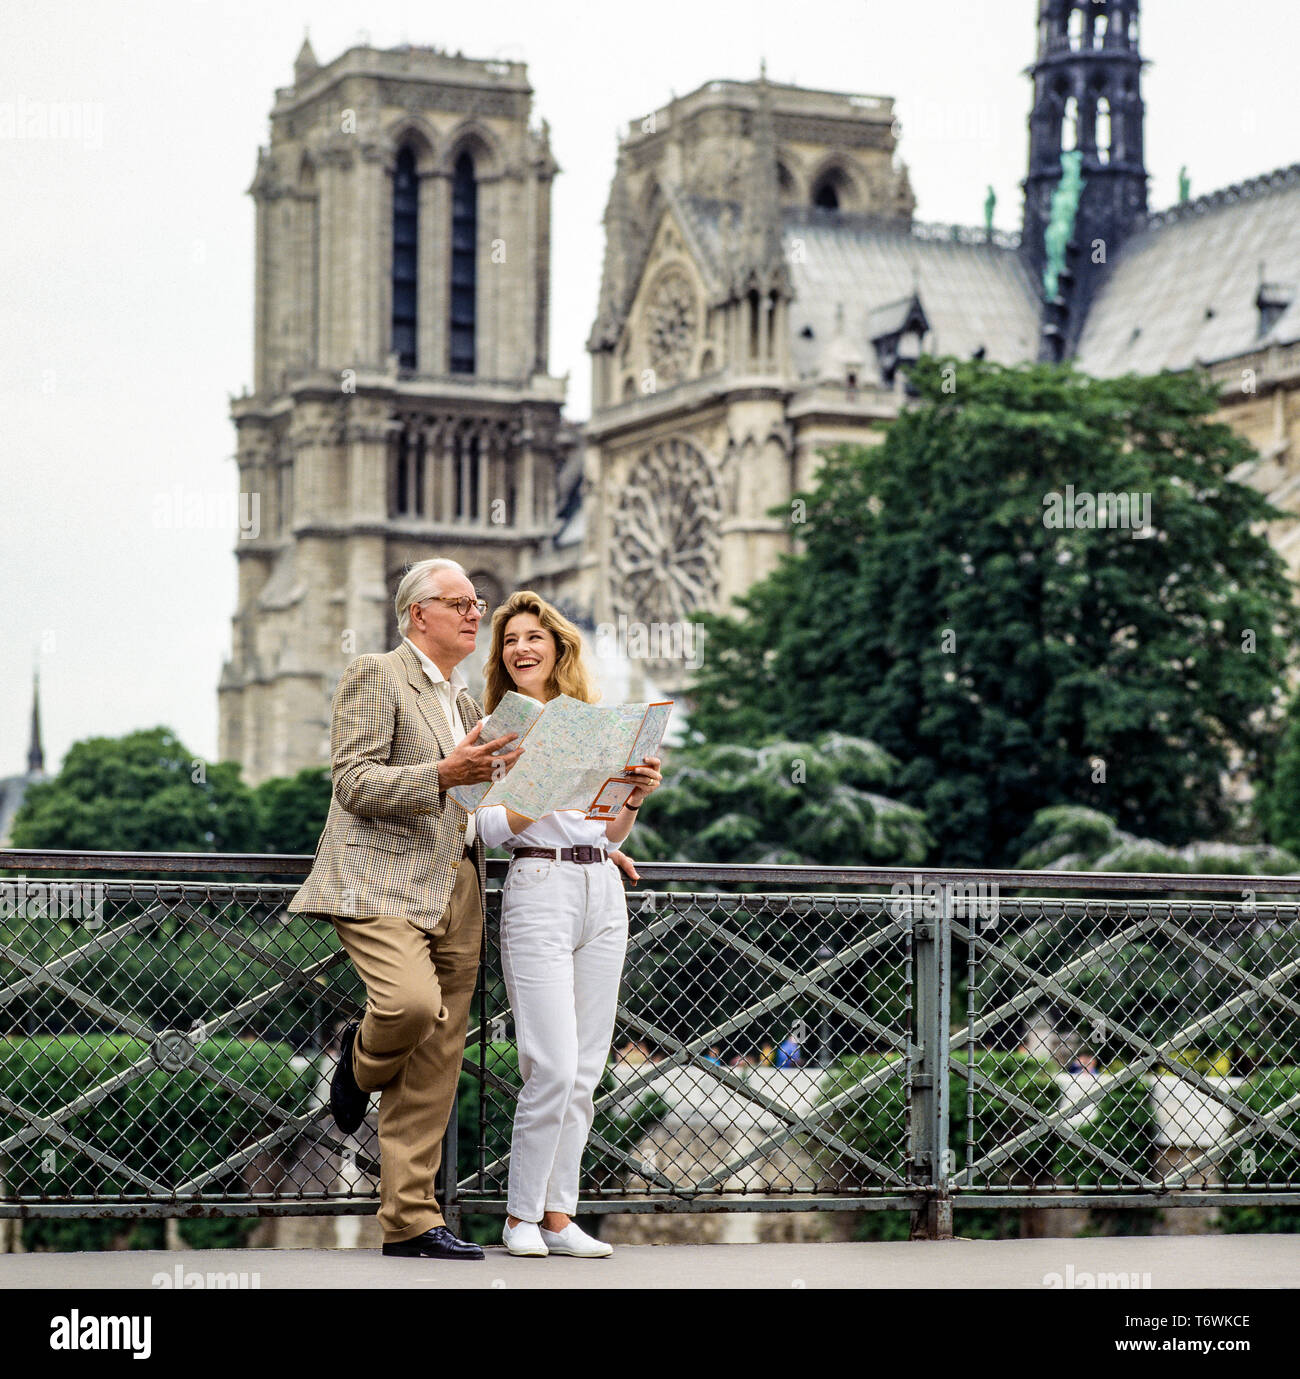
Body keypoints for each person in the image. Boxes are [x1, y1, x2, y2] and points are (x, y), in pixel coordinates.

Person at [286, 559, 638, 1261]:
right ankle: (356, 1064)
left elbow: (478, 818)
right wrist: (447, 775)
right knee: (411, 1008)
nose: (477, 614)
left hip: (461, 892)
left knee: (439, 1057)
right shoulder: (376, 674)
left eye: (479, 604)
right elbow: (353, 782)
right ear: (420, 613)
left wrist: (604, 835)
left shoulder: (473, 709)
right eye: (462, 604)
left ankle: (410, 1221)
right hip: (385, 885)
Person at [473, 590, 663, 1259]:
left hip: (601, 885)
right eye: (510, 640)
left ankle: (559, 1214)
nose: (521, 648)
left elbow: (607, 825)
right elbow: (488, 827)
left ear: (559, 648)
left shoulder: (590, 723)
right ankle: (519, 1216)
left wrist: (634, 795)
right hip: (539, 884)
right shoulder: (500, 726)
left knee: (585, 1068)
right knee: (549, 1064)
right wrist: (537, 787)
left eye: (534, 637)